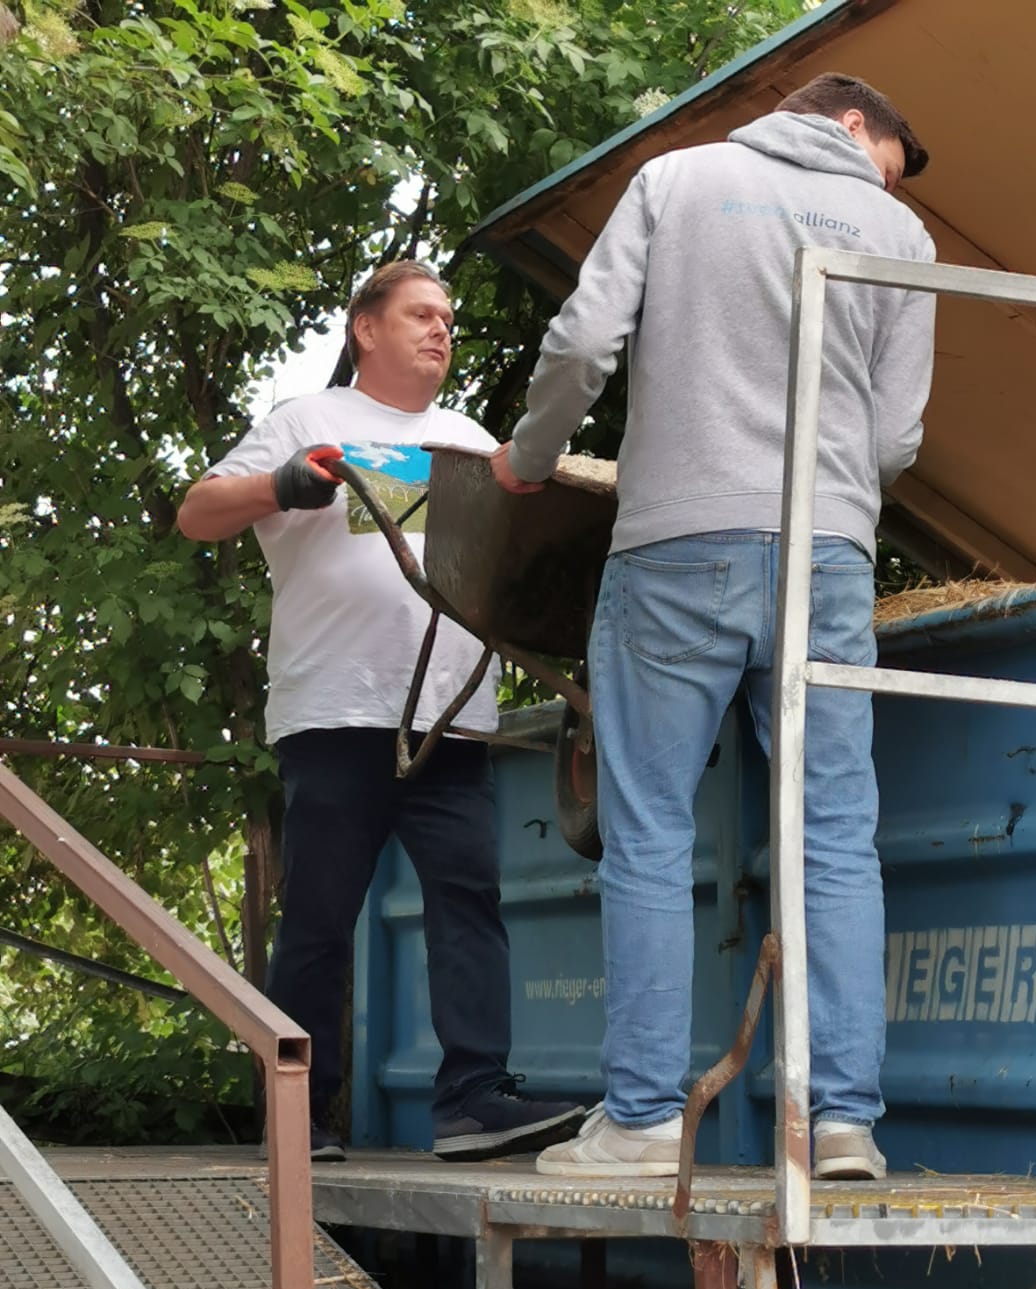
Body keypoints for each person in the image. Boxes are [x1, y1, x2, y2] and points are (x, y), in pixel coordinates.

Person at [491, 73, 936, 1182]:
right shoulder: (899, 231)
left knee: (647, 829)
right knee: (833, 833)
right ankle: (843, 1124)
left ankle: (642, 1123)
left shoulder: (675, 180)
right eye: (889, 153)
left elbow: (584, 340)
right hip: (827, 553)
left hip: (676, 544)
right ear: (850, 121)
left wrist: (530, 460)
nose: (885, 181)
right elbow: (897, 441)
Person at [178, 260, 585, 1162]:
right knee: (321, 916)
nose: (442, 331)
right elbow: (197, 513)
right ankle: (295, 1117)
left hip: (451, 719)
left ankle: (473, 1101)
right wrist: (282, 485)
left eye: (449, 319)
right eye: (421, 315)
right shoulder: (308, 422)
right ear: (365, 327)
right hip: (337, 713)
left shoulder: (470, 440)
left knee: (469, 903)